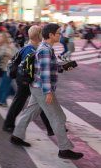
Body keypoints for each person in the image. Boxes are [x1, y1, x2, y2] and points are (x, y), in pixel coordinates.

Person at [11, 23, 83, 160]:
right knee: (58, 117)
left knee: (30, 112)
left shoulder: (45, 48)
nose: (60, 35)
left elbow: (49, 68)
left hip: (37, 87)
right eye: (58, 33)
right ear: (50, 35)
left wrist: (63, 68)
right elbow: (44, 73)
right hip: (42, 89)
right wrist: (48, 92)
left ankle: (17, 136)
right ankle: (64, 149)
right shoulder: (45, 50)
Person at [3, 26, 53, 135]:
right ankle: (8, 124)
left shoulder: (33, 47)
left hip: (29, 80)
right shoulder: (30, 49)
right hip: (26, 82)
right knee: (20, 103)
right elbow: (29, 68)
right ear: (38, 35)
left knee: (40, 103)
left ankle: (51, 127)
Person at [0, 31, 17, 106]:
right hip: (0, 68)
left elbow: (15, 55)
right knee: (5, 84)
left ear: (5, 38)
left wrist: (9, 54)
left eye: (0, 37)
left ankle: (1, 101)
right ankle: (12, 92)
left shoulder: (11, 46)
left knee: (3, 85)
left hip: (8, 68)